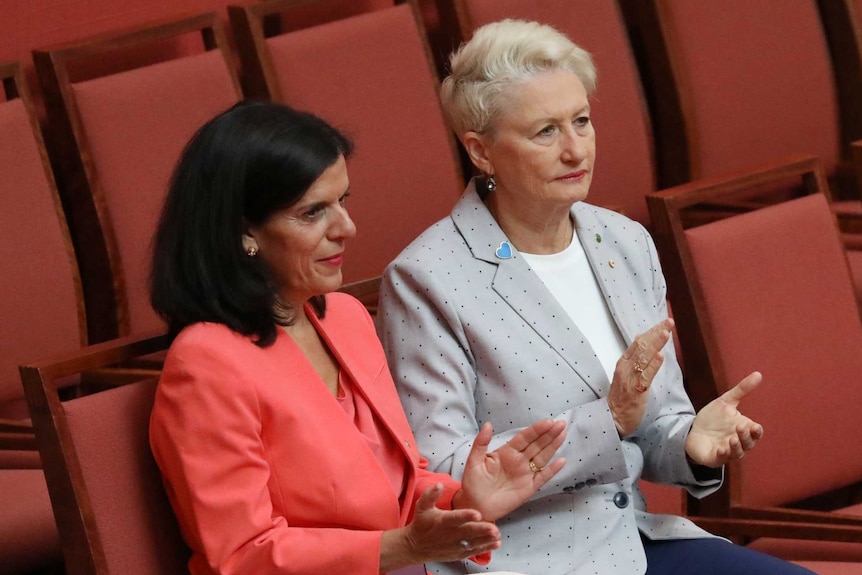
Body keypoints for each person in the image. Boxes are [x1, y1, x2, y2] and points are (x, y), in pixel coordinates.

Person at [376, 19, 815, 575]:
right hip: (524, 559)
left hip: (631, 538)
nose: (574, 148)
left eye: (582, 121)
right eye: (545, 132)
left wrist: (688, 443)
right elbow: (443, 473)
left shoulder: (624, 241)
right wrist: (604, 420)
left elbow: (653, 424)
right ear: (480, 152)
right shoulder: (426, 279)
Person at [148, 100, 569, 575]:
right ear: (244, 231)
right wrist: (404, 548)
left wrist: (466, 499)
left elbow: (396, 489)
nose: (347, 229)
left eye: (342, 202)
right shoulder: (206, 364)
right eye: (313, 213)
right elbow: (242, 556)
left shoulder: (344, 317)